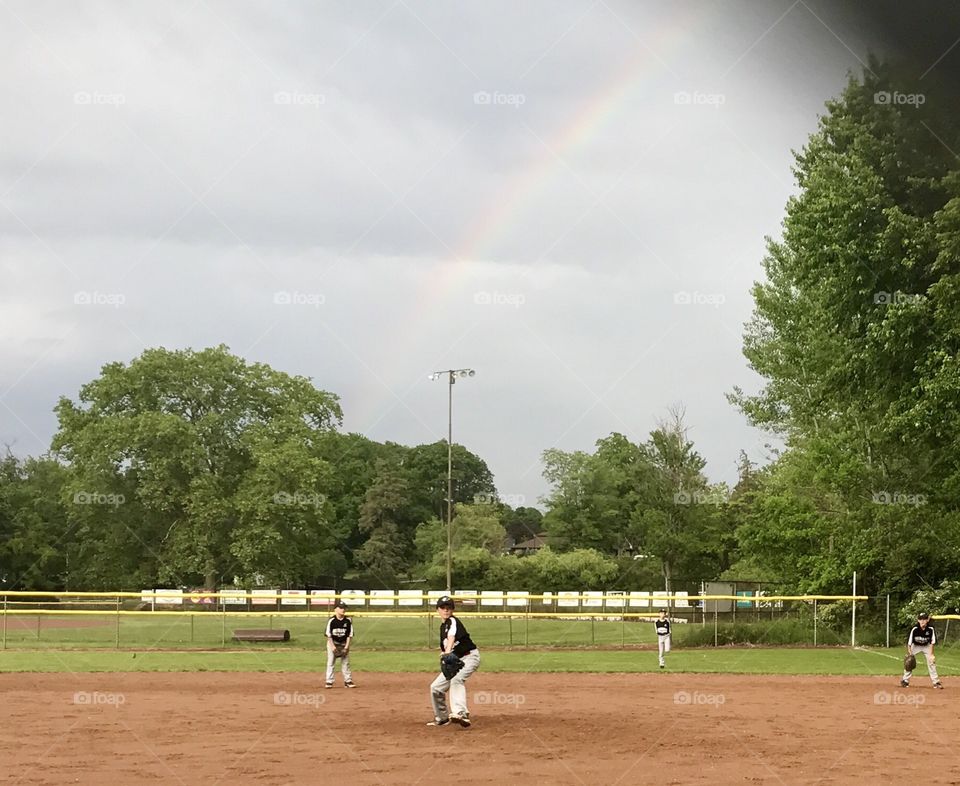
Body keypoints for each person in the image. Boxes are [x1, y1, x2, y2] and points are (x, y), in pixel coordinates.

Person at [427, 596, 480, 728]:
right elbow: (446, 644)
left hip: (469, 657)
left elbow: (451, 637)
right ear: (437, 610)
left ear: (452, 610)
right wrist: (445, 653)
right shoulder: (442, 627)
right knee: (436, 688)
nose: (446, 610)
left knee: (457, 679)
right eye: (443, 607)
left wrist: (447, 652)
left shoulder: (452, 621)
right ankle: (442, 718)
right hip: (457, 660)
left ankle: (461, 713)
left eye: (449, 608)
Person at [901, 612, 943, 689]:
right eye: (920, 619)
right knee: (909, 662)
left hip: (926, 646)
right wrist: (910, 654)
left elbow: (932, 643)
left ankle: (936, 682)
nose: (922, 621)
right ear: (918, 620)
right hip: (915, 646)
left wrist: (931, 654)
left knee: (931, 662)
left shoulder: (930, 629)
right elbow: (909, 643)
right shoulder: (915, 629)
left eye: (924, 619)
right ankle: (905, 680)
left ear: (927, 620)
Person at [325, 601, 355, 689]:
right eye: (341, 608)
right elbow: (328, 635)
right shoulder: (332, 621)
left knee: (345, 663)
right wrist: (333, 647)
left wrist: (346, 647)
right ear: (336, 609)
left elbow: (350, 635)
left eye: (344, 608)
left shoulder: (348, 621)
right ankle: (329, 681)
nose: (343, 610)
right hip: (332, 643)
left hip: (343, 644)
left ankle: (348, 681)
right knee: (331, 662)